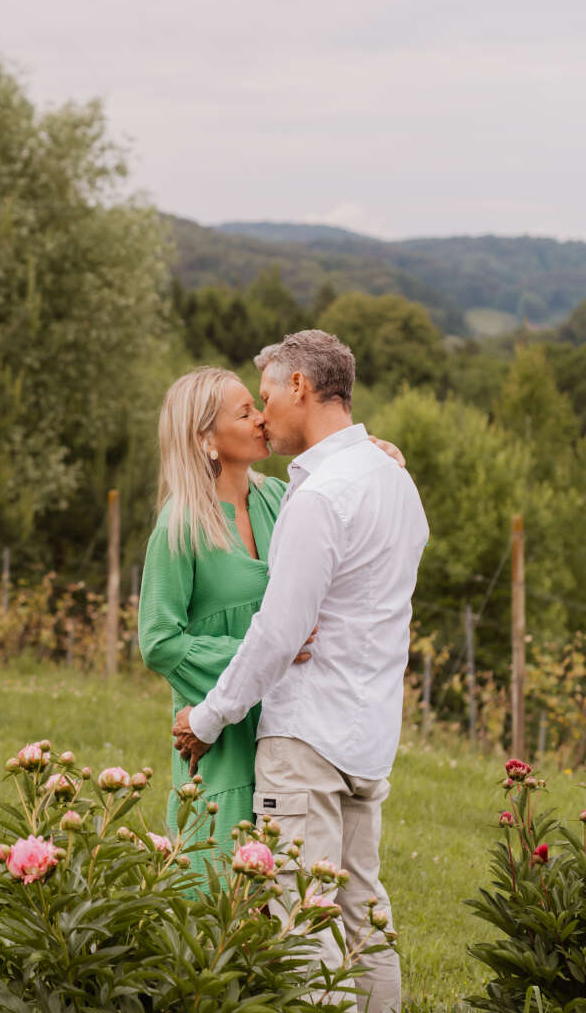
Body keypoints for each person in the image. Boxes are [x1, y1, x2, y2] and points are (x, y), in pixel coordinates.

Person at [171, 331, 428, 1013]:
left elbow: (279, 633)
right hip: (369, 738)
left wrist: (207, 717)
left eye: (266, 397)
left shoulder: (317, 499)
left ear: (300, 389)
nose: (263, 416)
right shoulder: (395, 482)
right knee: (363, 916)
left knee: (300, 922)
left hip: (307, 739)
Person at [138, 364, 404, 891]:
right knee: (219, 889)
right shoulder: (180, 526)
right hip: (219, 733)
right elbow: (158, 642)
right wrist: (255, 656)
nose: (262, 419)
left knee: (290, 886)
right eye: (244, 412)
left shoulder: (280, 500)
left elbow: (340, 500)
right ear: (205, 439)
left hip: (290, 724)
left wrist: (375, 455)